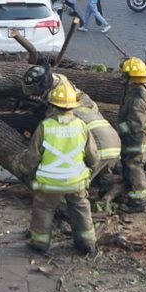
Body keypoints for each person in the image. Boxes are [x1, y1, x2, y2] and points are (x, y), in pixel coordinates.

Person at [21, 66, 120, 207]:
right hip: (114, 142)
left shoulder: (64, 113)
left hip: (99, 147)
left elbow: (59, 135)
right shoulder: (61, 85)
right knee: (104, 170)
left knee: (73, 185)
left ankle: (66, 210)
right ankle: (106, 193)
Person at [26, 78, 100, 256]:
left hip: (49, 183)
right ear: (73, 106)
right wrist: (90, 169)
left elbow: (33, 157)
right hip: (76, 181)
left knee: (43, 208)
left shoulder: (45, 127)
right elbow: (93, 156)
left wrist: (28, 172)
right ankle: (87, 243)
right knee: (80, 207)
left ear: (52, 105)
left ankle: (40, 242)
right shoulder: (81, 126)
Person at [117, 57, 146, 214]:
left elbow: (135, 125)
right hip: (135, 138)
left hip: (137, 140)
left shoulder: (138, 98)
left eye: (124, 75)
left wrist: (117, 130)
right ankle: (130, 194)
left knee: (134, 167)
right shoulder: (136, 90)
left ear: (129, 77)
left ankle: (138, 201)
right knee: (129, 165)